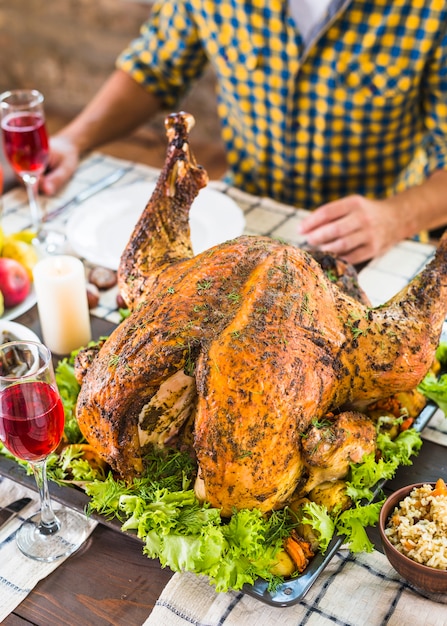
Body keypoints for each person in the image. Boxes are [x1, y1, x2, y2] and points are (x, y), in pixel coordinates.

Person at [42, 0, 447, 265]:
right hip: (242, 217)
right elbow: (155, 67)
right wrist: (72, 139)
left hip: (370, 238)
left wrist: (395, 217)